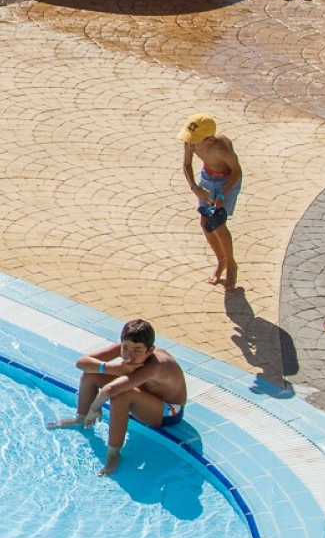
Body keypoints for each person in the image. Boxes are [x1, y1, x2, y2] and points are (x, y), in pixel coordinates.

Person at [47, 318, 189, 476]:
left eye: (137, 350)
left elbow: (112, 389)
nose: (129, 355)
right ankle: (81, 419)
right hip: (145, 396)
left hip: (170, 411)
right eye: (125, 347)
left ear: (150, 351)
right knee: (90, 375)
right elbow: (81, 363)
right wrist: (112, 367)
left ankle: (113, 454)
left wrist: (95, 407)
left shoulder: (157, 365)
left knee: (122, 395)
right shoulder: (127, 346)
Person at [180, 114, 241, 288]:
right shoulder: (190, 143)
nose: (190, 145)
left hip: (227, 181)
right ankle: (221, 261)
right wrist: (195, 188)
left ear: (210, 140)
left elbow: (236, 171)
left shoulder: (223, 149)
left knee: (218, 224)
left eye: (195, 141)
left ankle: (231, 264)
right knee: (205, 223)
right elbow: (186, 165)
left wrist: (222, 195)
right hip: (207, 178)